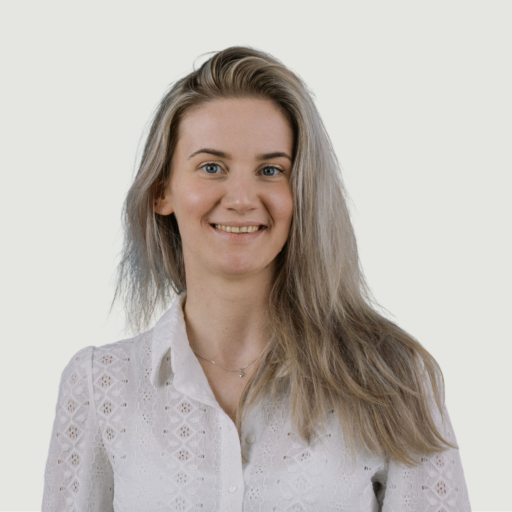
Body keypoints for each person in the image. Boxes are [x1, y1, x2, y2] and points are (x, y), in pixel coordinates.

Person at [42, 46, 471, 511]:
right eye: (212, 167)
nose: (242, 198)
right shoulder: (101, 385)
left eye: (271, 170)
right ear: (162, 191)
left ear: (301, 192)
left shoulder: (393, 379)